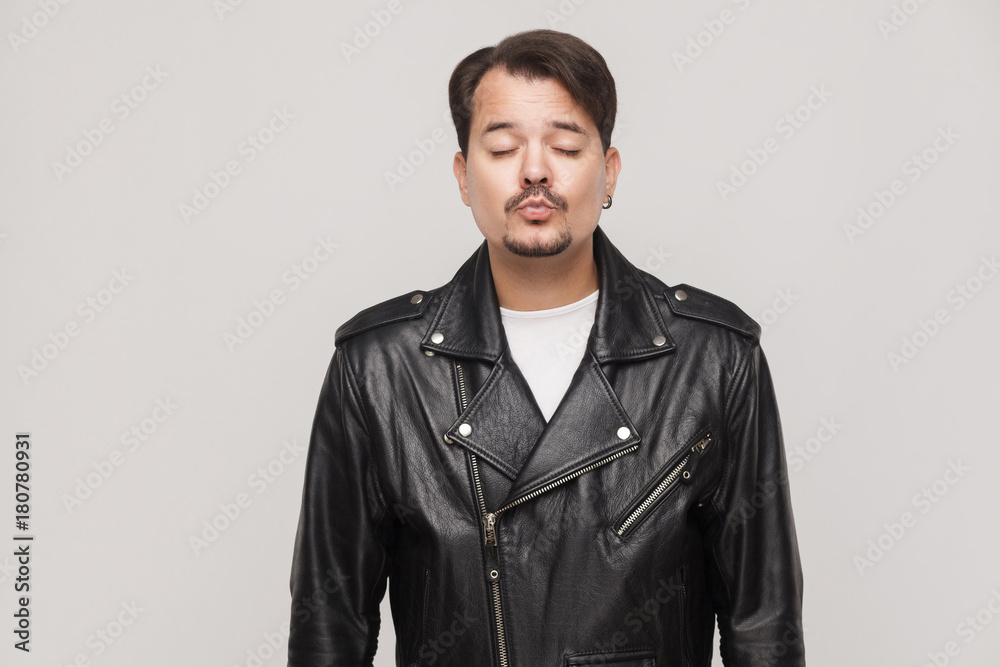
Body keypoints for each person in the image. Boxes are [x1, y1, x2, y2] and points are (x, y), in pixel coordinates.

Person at [287, 28, 804, 667]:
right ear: (463, 176)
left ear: (609, 172)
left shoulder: (712, 359)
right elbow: (328, 629)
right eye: (503, 148)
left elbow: (764, 628)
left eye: (565, 146)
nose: (535, 171)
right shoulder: (381, 368)